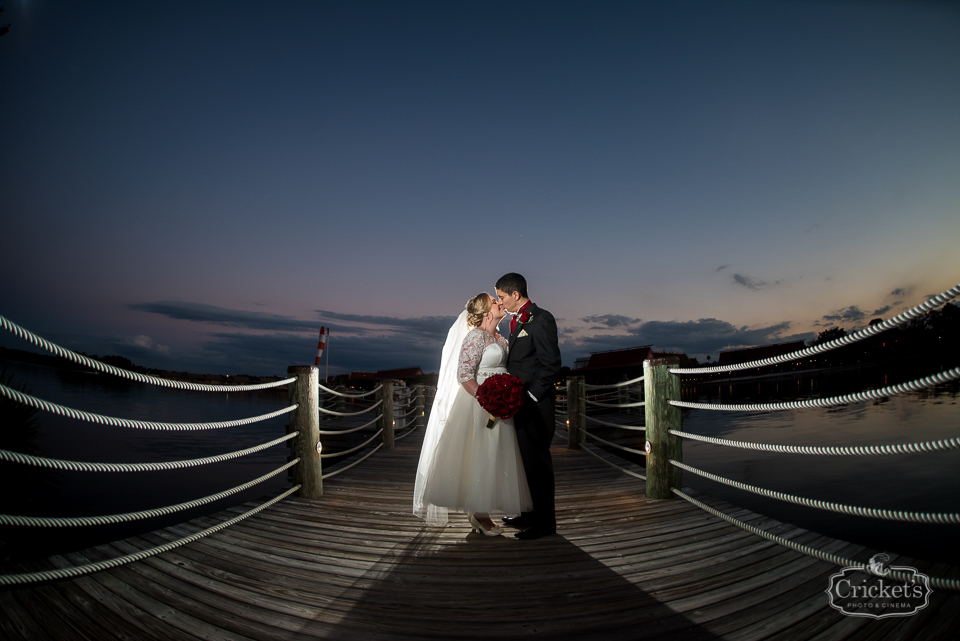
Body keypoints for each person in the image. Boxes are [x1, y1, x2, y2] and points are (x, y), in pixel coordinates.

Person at [413, 292, 532, 536]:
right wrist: (486, 399)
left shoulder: (501, 339)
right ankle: (480, 515)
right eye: (495, 300)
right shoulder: (475, 337)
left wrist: (505, 398)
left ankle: (479, 511)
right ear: (486, 310)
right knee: (480, 454)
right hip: (479, 405)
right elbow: (464, 374)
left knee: (494, 457)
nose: (500, 303)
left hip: (501, 406)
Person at [495, 273, 562, 540]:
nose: (500, 302)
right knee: (522, 463)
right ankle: (528, 513)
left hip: (535, 406)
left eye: (501, 297)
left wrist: (531, 397)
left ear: (515, 294)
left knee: (537, 465)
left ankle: (545, 523)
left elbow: (551, 366)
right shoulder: (514, 322)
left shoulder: (541, 319)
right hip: (517, 405)